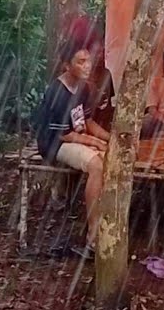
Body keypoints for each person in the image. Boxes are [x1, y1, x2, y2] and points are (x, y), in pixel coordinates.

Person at [34, 40, 109, 259]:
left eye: (89, 61)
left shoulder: (83, 87)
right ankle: (93, 237)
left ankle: (104, 220)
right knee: (96, 165)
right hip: (54, 144)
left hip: (74, 137)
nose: (88, 66)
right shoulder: (57, 92)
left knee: (110, 157)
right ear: (67, 66)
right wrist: (94, 142)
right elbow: (64, 134)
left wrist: (110, 138)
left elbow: (86, 121)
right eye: (81, 62)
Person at [86, 39, 116, 130]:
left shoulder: (106, 73)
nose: (101, 56)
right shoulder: (83, 76)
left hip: (105, 119)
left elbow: (109, 102)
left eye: (102, 52)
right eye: (97, 52)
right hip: (90, 120)